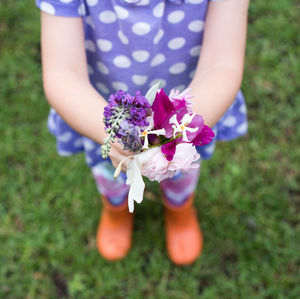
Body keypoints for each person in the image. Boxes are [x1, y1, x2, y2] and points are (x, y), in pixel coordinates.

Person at [36, 0, 249, 265]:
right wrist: (111, 133)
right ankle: (115, 208)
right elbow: (62, 73)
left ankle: (179, 206)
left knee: (181, 167)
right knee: (109, 170)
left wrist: (176, 131)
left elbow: (222, 65)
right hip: (99, 107)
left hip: (191, 100)